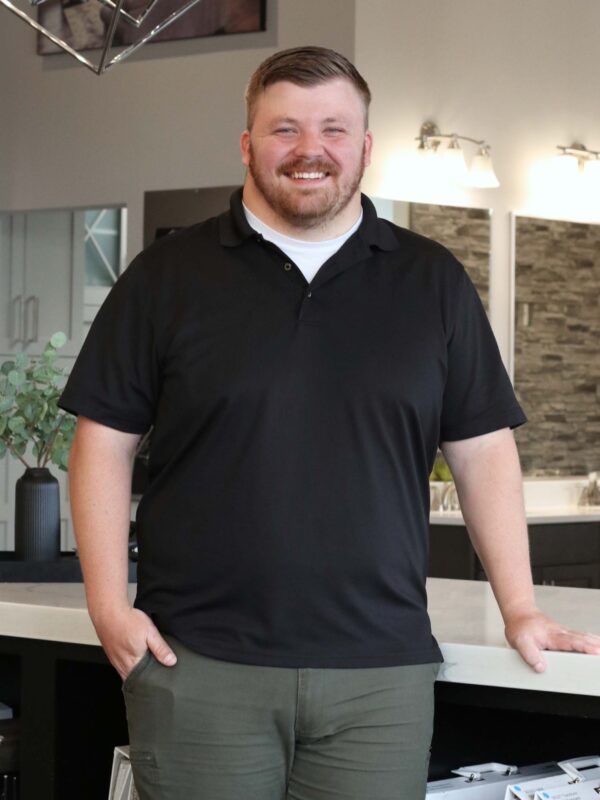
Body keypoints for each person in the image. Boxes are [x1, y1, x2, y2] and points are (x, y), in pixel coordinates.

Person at [60, 46, 600, 800]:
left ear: (366, 148)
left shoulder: (431, 280)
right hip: (202, 665)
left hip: (379, 677)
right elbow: (102, 443)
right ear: (247, 145)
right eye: (285, 129)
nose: (311, 149)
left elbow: (482, 452)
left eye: (334, 129)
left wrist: (520, 607)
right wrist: (108, 605)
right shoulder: (166, 276)